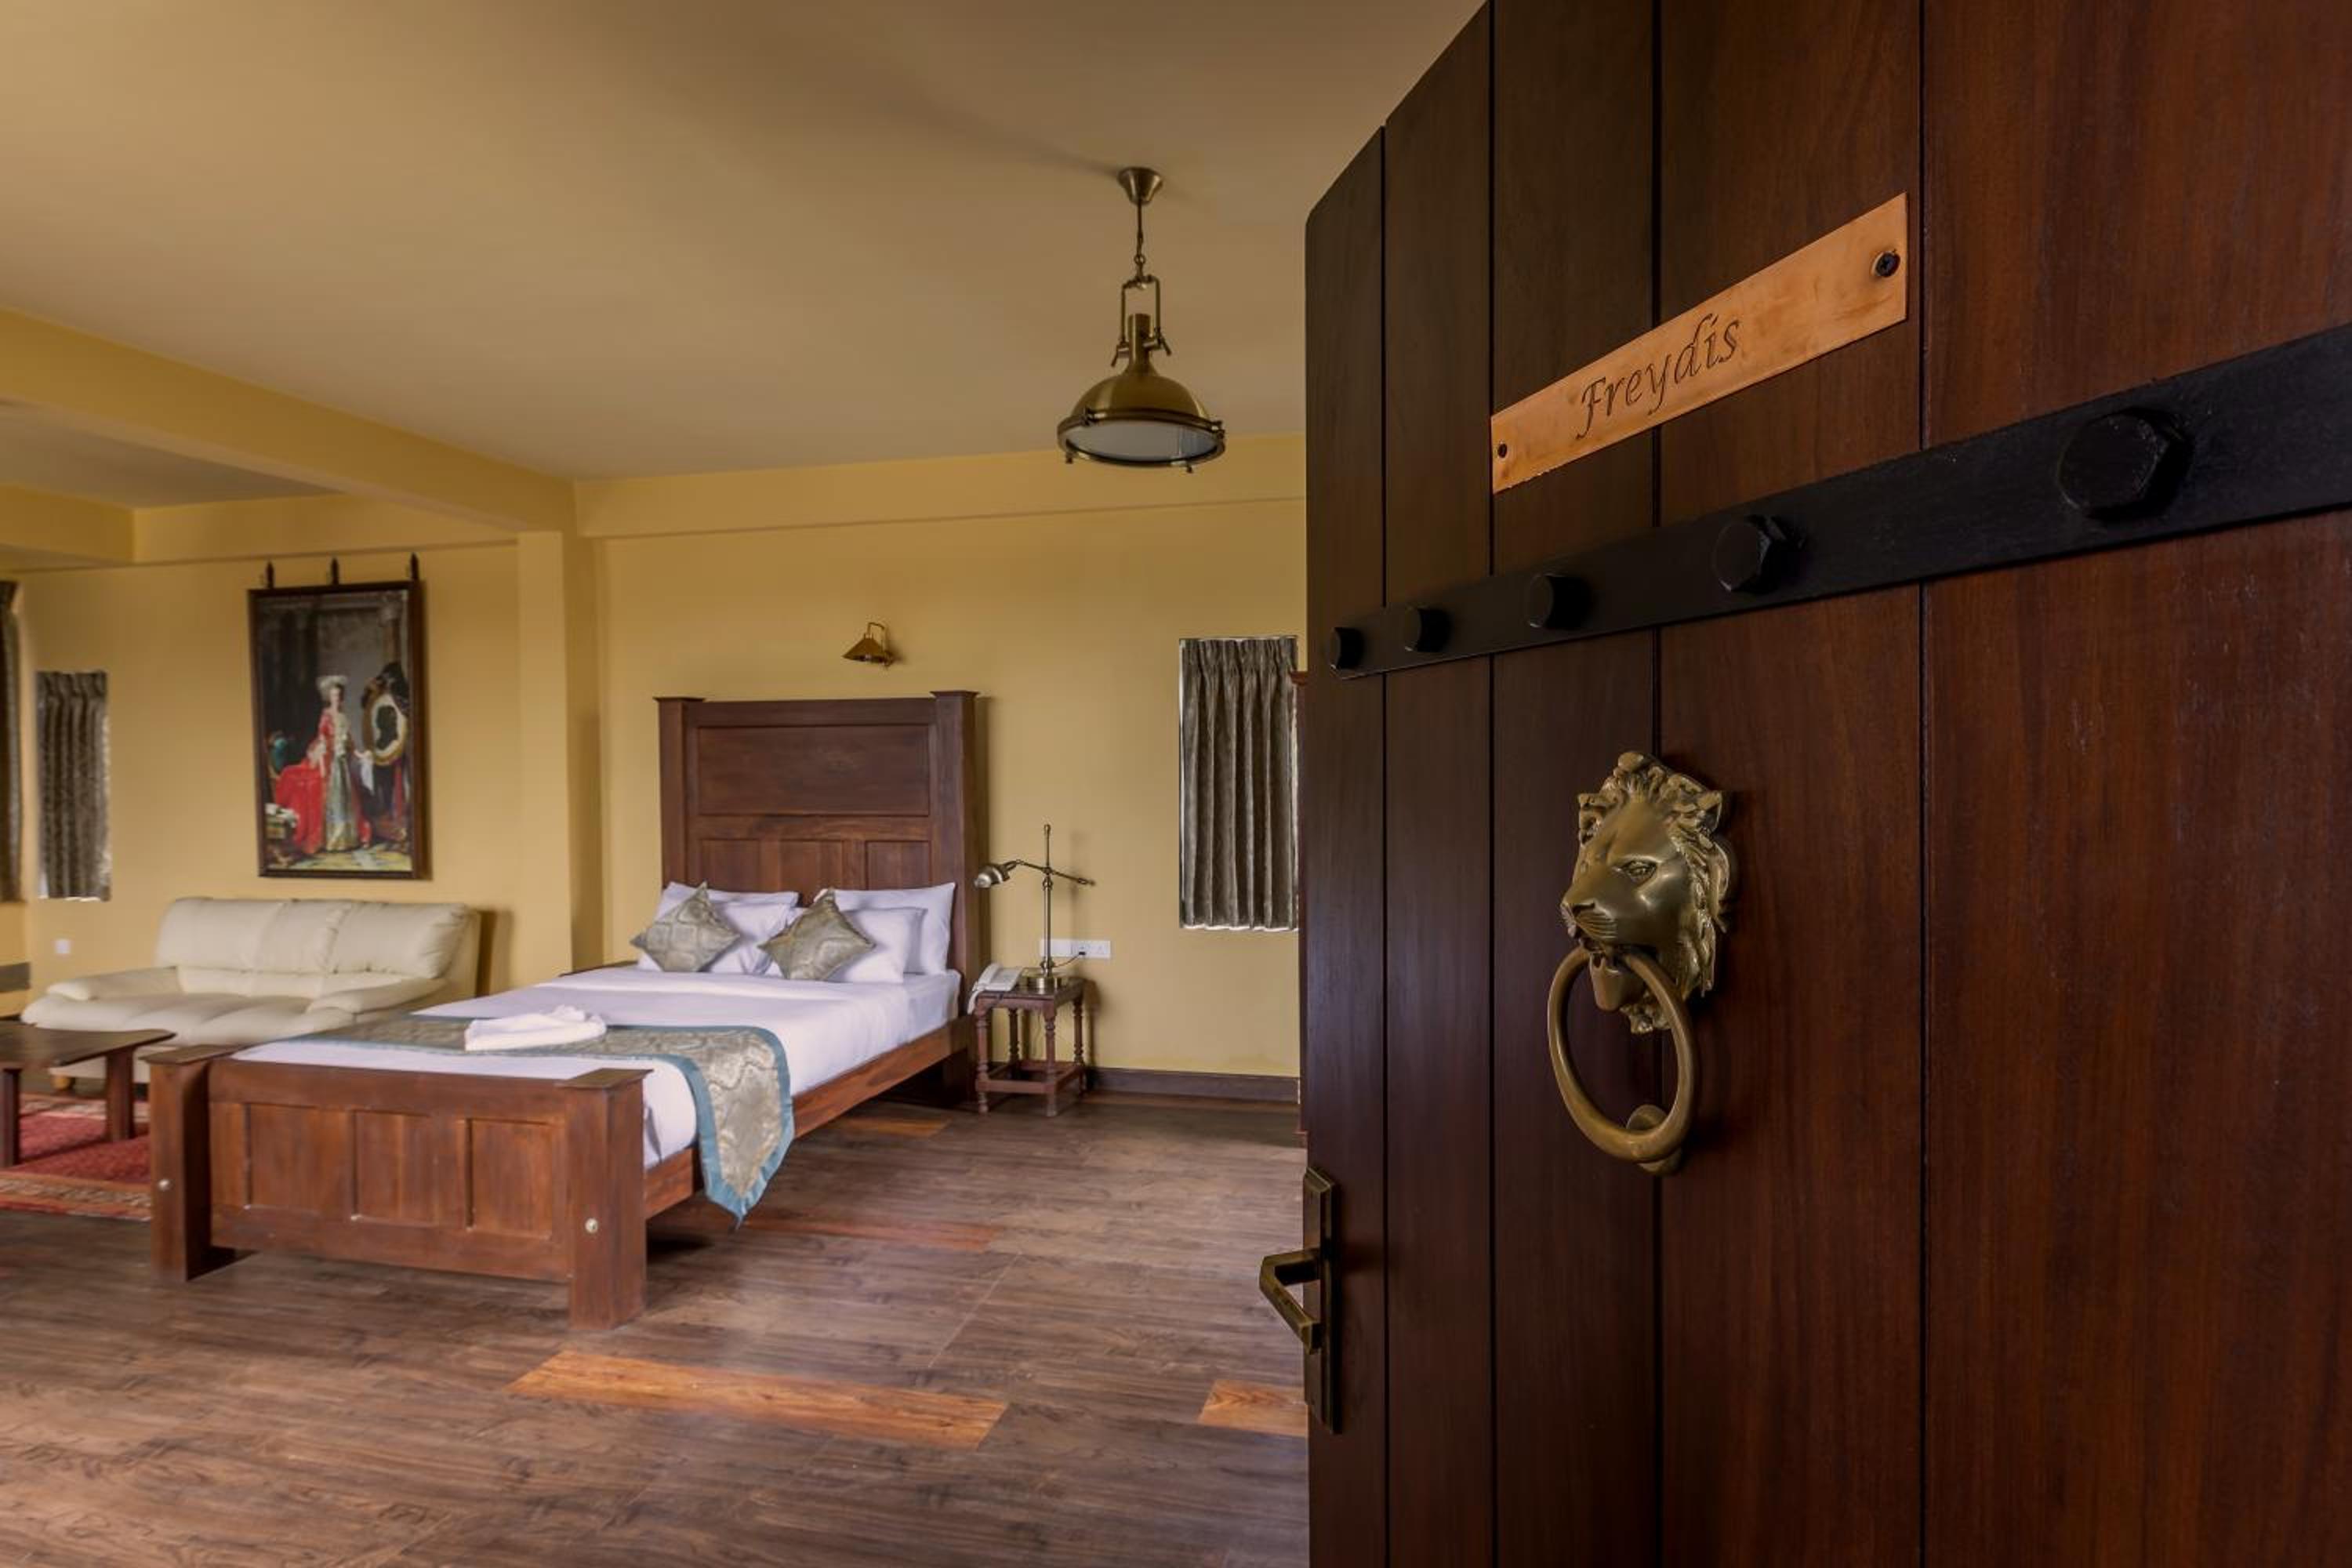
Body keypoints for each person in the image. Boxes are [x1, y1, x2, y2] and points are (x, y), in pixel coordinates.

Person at [270, 673, 372, 857]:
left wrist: (360, 754)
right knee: (332, 797)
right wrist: (324, 767)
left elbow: (350, 742)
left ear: (342, 697)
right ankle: (333, 838)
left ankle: (346, 838)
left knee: (346, 799)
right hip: (330, 761)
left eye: (338, 695)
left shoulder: (344, 717)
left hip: (342, 764)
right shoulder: (326, 716)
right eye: (333, 696)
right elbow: (323, 740)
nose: (336, 699)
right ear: (329, 697)